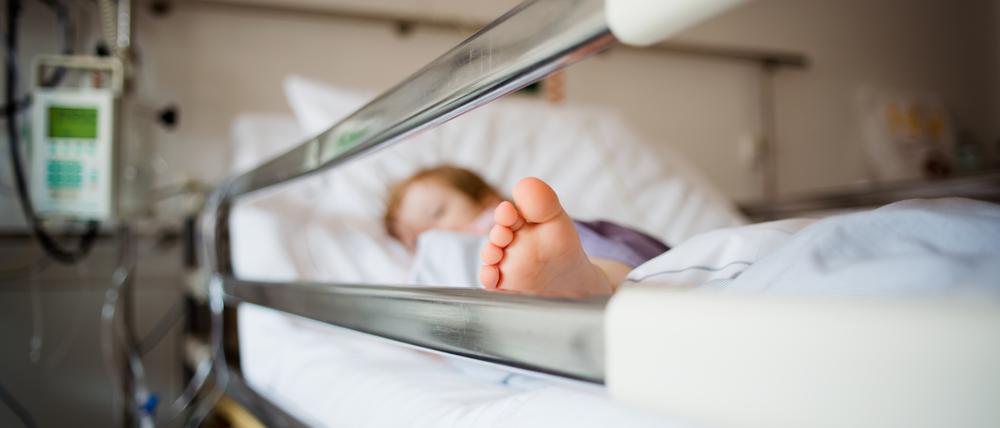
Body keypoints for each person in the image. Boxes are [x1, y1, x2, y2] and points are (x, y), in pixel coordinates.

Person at [384, 166, 669, 297]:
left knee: (559, 244)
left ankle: (592, 282)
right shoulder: (439, 270)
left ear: (488, 201)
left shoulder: (518, 233)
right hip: (517, 291)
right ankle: (574, 290)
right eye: (416, 238)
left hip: (598, 257)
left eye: (438, 213)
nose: (434, 235)